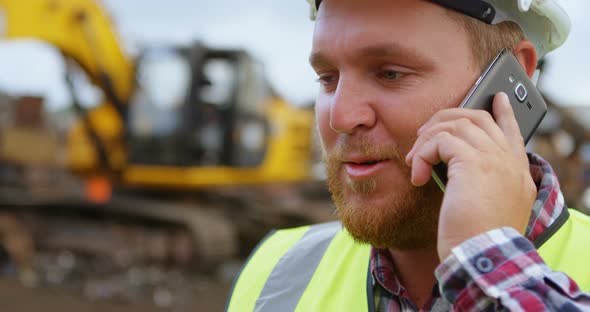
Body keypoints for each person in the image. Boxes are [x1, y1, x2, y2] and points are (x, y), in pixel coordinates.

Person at [226, 0, 590, 311]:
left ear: (514, 80)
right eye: (327, 78)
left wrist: (490, 265)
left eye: (390, 73)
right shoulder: (276, 269)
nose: (340, 118)